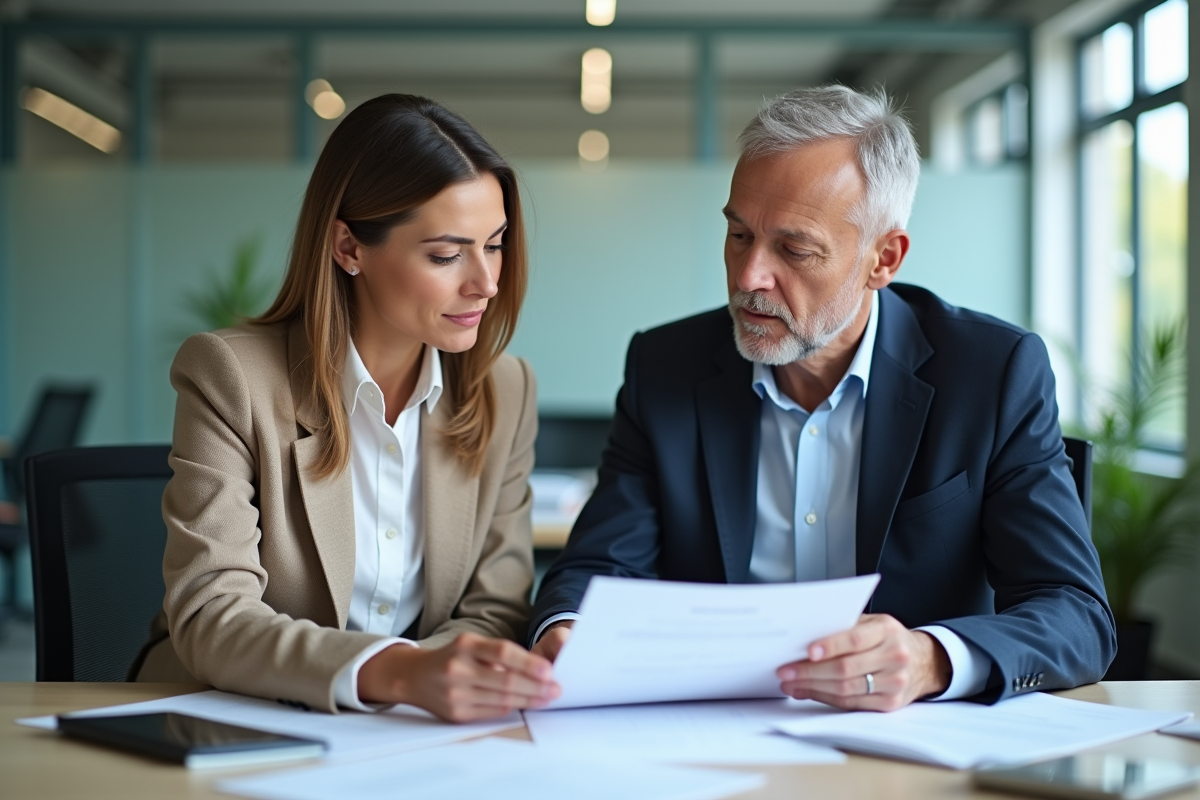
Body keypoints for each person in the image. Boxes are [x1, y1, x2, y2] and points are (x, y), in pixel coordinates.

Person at [529, 86, 1116, 710]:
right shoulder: (666, 367)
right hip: (707, 735)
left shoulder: (991, 375)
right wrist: (567, 631)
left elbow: (1074, 612)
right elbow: (595, 569)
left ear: (882, 258)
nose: (750, 276)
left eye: (794, 249)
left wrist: (930, 659)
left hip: (905, 748)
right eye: (737, 234)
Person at [136, 94, 560, 721]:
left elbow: (494, 607)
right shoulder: (231, 376)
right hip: (230, 717)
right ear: (348, 247)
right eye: (446, 255)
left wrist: (429, 682)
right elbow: (212, 614)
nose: (486, 283)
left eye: (494, 245)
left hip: (410, 734)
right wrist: (398, 672)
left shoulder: (507, 389)